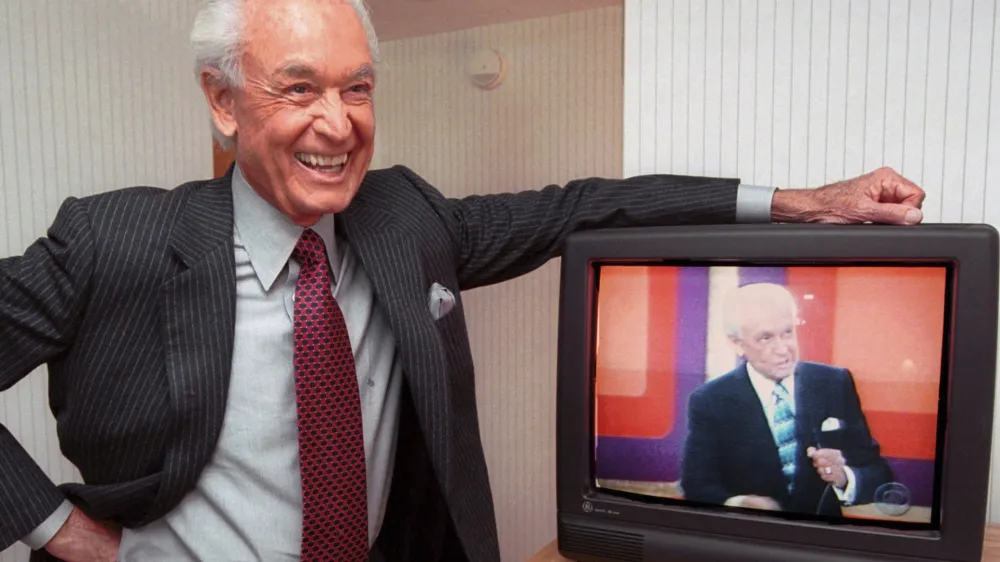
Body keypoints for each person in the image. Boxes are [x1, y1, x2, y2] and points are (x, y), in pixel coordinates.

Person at [0, 0, 923, 561]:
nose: (337, 122)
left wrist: (797, 203)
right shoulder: (112, 240)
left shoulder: (405, 218)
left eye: (357, 88)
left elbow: (583, 208)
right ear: (222, 99)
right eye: (298, 89)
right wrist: (60, 533)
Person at [680, 283, 893, 517]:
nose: (783, 349)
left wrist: (844, 477)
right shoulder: (709, 401)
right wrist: (738, 503)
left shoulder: (834, 383)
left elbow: (879, 474)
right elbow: (696, 485)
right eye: (765, 338)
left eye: (788, 332)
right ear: (736, 343)